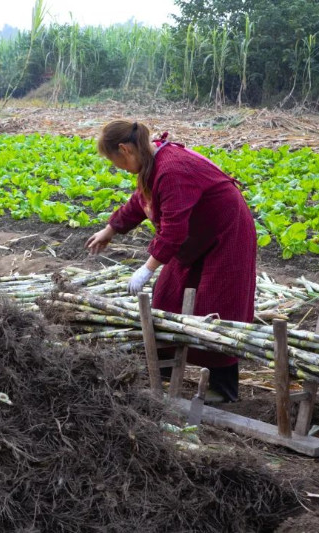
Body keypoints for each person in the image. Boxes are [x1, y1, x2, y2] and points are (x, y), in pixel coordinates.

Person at [85, 120, 257, 402]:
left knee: (219, 304)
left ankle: (223, 389)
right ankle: (162, 370)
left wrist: (147, 268)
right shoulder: (153, 163)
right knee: (167, 296)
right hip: (198, 235)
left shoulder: (172, 169)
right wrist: (111, 229)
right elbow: (141, 201)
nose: (118, 168)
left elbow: (174, 230)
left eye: (116, 162)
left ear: (125, 149)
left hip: (227, 233)